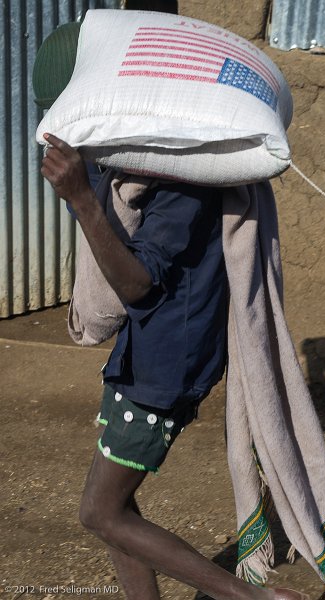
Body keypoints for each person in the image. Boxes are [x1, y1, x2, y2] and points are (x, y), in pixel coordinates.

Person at [36, 10, 310, 600]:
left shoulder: (179, 182)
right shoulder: (146, 168)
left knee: (100, 513)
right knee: (120, 512)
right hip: (146, 354)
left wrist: (83, 200)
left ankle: (254, 597)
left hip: (165, 365)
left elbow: (139, 286)